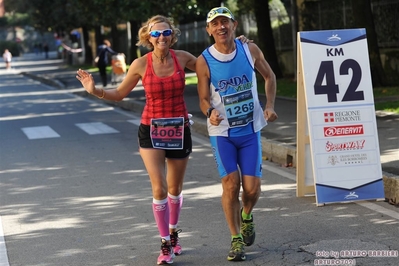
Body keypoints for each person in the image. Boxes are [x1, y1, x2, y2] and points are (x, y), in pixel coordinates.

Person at [76, 15, 197, 265]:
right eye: (156, 34)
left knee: (175, 189)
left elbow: (213, 65)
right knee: (159, 188)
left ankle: (173, 233)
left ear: (172, 35)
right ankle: (165, 244)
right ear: (148, 37)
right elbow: (120, 93)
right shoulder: (140, 64)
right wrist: (95, 90)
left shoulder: (183, 58)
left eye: (165, 33)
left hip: (179, 128)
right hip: (150, 129)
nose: (161, 37)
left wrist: (237, 44)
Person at [196, 7, 278, 262]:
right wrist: (209, 111)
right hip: (222, 133)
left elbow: (270, 76)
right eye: (215, 24)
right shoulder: (204, 60)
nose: (221, 27)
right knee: (231, 185)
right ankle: (235, 240)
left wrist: (270, 106)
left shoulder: (249, 49)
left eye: (225, 22)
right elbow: (202, 98)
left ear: (235, 25)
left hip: (250, 129)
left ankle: (247, 216)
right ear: (209, 30)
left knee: (252, 190)